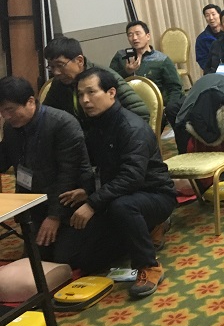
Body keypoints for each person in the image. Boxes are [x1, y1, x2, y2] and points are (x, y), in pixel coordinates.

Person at [60, 68, 176, 298]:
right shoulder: (96, 125)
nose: (85, 100)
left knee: (122, 207)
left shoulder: (132, 127)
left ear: (111, 92)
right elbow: (95, 168)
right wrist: (87, 192)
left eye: (91, 92)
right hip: (116, 195)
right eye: (80, 94)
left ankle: (149, 266)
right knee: (85, 260)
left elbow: (132, 177)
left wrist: (92, 203)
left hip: (154, 195)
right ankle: (145, 229)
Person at [0, 76, 93, 266]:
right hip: (35, 203)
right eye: (1, 111)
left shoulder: (62, 124)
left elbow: (68, 176)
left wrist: (54, 216)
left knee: (65, 260)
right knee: (34, 261)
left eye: (10, 109)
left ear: (30, 102)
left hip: (70, 204)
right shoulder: (10, 127)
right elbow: (4, 162)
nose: (6, 116)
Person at [43, 36, 149, 130]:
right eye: (51, 67)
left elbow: (140, 112)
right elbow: (47, 115)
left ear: (79, 61)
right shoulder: (59, 83)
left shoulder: (102, 76)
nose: (56, 72)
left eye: (60, 65)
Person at [109, 20, 184, 129]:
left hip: (153, 107)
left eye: (138, 34)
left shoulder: (161, 60)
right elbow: (109, 80)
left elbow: (175, 87)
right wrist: (126, 72)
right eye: (130, 35)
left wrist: (168, 107)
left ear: (148, 36)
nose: (134, 38)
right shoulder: (121, 57)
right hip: (126, 106)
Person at [196, 4, 223, 70]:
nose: (211, 18)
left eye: (213, 14)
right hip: (213, 71)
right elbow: (202, 60)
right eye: (207, 15)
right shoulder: (202, 39)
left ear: (220, 15)